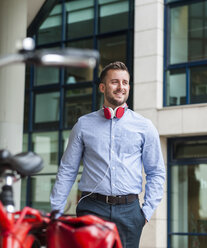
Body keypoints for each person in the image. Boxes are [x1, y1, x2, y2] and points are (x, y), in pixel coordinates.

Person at [50, 61, 166, 248]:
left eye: (125, 83)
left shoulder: (145, 126)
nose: (121, 87)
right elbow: (67, 170)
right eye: (115, 82)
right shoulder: (83, 125)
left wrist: (145, 213)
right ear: (102, 87)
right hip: (92, 208)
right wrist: (55, 211)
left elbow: (156, 172)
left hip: (130, 212)